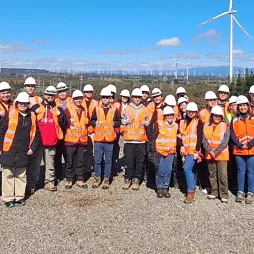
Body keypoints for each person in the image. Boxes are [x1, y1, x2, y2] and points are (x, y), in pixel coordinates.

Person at [0, 92, 40, 207]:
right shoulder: (10, 114)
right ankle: (8, 198)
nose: (23, 105)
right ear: (17, 103)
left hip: (24, 150)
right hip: (9, 149)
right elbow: (2, 132)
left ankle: (19, 197)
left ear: (28, 104)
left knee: (21, 175)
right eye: (21, 103)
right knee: (8, 174)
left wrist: (33, 148)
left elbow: (36, 134)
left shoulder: (32, 116)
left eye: (25, 103)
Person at [31, 86, 67, 191]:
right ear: (44, 95)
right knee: (35, 165)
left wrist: (60, 116)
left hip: (51, 142)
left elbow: (65, 124)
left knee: (50, 165)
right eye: (48, 94)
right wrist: (34, 112)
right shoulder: (36, 107)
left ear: (55, 96)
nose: (50, 97)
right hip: (38, 142)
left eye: (52, 95)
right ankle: (32, 184)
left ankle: (49, 182)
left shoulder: (58, 109)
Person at [89, 87, 121, 189]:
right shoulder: (97, 109)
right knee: (97, 160)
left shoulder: (114, 109)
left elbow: (119, 121)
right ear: (101, 98)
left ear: (110, 98)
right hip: (99, 139)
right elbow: (92, 120)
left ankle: (107, 178)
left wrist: (114, 123)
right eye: (104, 97)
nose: (105, 99)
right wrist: (94, 123)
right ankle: (97, 177)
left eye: (107, 97)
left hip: (109, 140)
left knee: (108, 161)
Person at [121, 88, 150, 190]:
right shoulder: (127, 108)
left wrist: (145, 123)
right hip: (129, 140)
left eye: (139, 97)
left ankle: (136, 180)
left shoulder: (145, 109)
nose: (137, 99)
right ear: (132, 98)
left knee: (139, 161)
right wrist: (126, 121)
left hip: (141, 140)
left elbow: (148, 121)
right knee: (129, 161)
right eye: (135, 97)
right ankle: (127, 179)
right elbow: (121, 120)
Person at [203, 105, 230, 203]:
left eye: (219, 116)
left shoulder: (225, 126)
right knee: (212, 174)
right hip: (210, 154)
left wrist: (216, 151)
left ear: (222, 117)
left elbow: (225, 141)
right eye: (215, 115)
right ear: (212, 116)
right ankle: (214, 192)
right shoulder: (206, 125)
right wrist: (210, 150)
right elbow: (204, 140)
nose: (217, 117)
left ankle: (224, 194)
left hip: (221, 154)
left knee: (223, 175)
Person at [150, 106, 178, 198]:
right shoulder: (159, 124)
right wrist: (154, 150)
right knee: (160, 170)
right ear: (164, 116)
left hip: (170, 152)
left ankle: (165, 188)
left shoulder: (176, 126)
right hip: (159, 151)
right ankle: (159, 188)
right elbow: (152, 138)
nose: (169, 117)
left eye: (171, 115)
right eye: (168, 115)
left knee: (168, 170)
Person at [231, 95, 254, 204]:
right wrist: (239, 145)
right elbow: (232, 134)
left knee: (250, 172)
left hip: (252, 149)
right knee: (241, 171)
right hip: (239, 150)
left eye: (244, 105)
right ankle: (240, 191)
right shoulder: (234, 119)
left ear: (248, 106)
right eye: (240, 106)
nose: (242, 107)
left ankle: (250, 192)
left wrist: (250, 143)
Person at [179, 102, 204, 203]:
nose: (190, 113)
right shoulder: (182, 122)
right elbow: (179, 136)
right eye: (189, 111)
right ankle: (192, 187)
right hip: (185, 151)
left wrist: (197, 151)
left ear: (196, 112)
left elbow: (199, 138)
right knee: (191, 171)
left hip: (194, 151)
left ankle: (190, 193)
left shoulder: (199, 122)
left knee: (187, 169)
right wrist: (181, 146)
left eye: (193, 111)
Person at [64, 90, 89, 189]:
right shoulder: (68, 110)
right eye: (77, 98)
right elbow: (64, 123)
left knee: (81, 161)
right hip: (71, 141)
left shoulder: (84, 110)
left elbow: (88, 122)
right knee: (70, 161)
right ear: (73, 99)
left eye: (80, 98)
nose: (79, 100)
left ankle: (80, 179)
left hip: (82, 141)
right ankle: (69, 179)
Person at [24, 77, 43, 195]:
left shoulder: (39, 99)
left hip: (37, 134)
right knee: (25, 162)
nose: (30, 88)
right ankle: (23, 184)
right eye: (28, 85)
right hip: (25, 136)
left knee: (36, 162)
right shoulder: (19, 99)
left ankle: (32, 184)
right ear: (25, 86)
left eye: (32, 85)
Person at [55, 82, 72, 181]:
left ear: (67, 91)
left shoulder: (72, 100)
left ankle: (69, 174)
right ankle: (58, 174)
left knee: (68, 154)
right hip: (58, 131)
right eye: (60, 91)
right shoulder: (54, 101)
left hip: (69, 131)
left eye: (63, 91)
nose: (62, 93)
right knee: (57, 154)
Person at [82, 84, 98, 176]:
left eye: (90, 92)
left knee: (90, 151)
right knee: (81, 152)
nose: (89, 93)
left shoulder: (95, 103)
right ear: (84, 93)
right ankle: (81, 167)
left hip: (92, 131)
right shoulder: (80, 101)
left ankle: (88, 168)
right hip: (81, 130)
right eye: (87, 92)